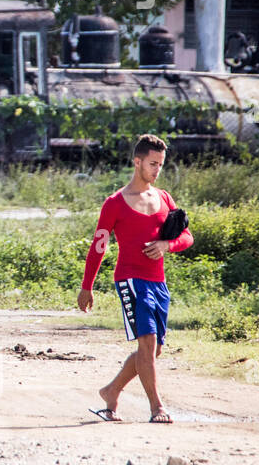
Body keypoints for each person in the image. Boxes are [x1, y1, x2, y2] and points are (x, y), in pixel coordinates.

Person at [78, 134, 194, 423]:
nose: (157, 170)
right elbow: (99, 246)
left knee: (155, 350)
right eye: (153, 164)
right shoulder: (114, 203)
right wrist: (86, 286)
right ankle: (157, 407)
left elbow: (186, 236)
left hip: (158, 282)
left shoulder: (164, 197)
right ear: (137, 162)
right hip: (130, 279)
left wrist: (168, 245)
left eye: (161, 165)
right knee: (147, 341)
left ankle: (111, 391)